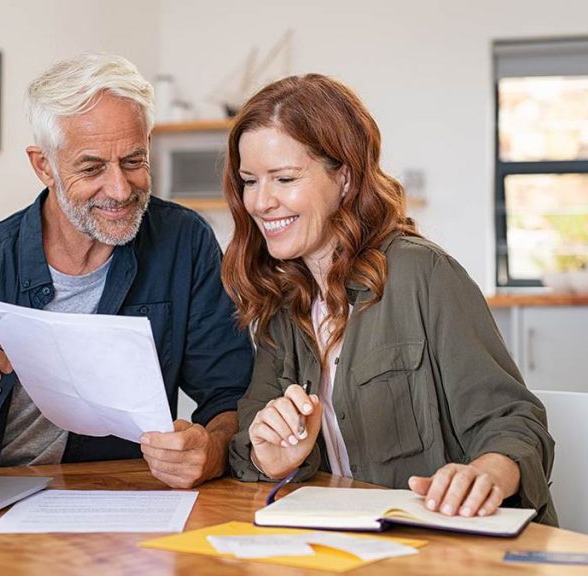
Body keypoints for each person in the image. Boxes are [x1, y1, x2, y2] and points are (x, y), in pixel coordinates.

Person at [223, 74, 557, 524]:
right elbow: (248, 441)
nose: (261, 202)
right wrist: (274, 457)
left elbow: (515, 422)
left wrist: (487, 473)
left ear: (344, 177)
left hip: (447, 547)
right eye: (249, 181)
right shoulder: (285, 302)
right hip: (350, 544)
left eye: (284, 178)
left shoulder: (424, 275)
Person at [0, 54, 252, 489]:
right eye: (91, 168)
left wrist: (212, 449)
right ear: (43, 166)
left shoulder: (183, 242)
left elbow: (231, 396)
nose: (119, 189)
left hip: (116, 497)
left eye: (133, 161)